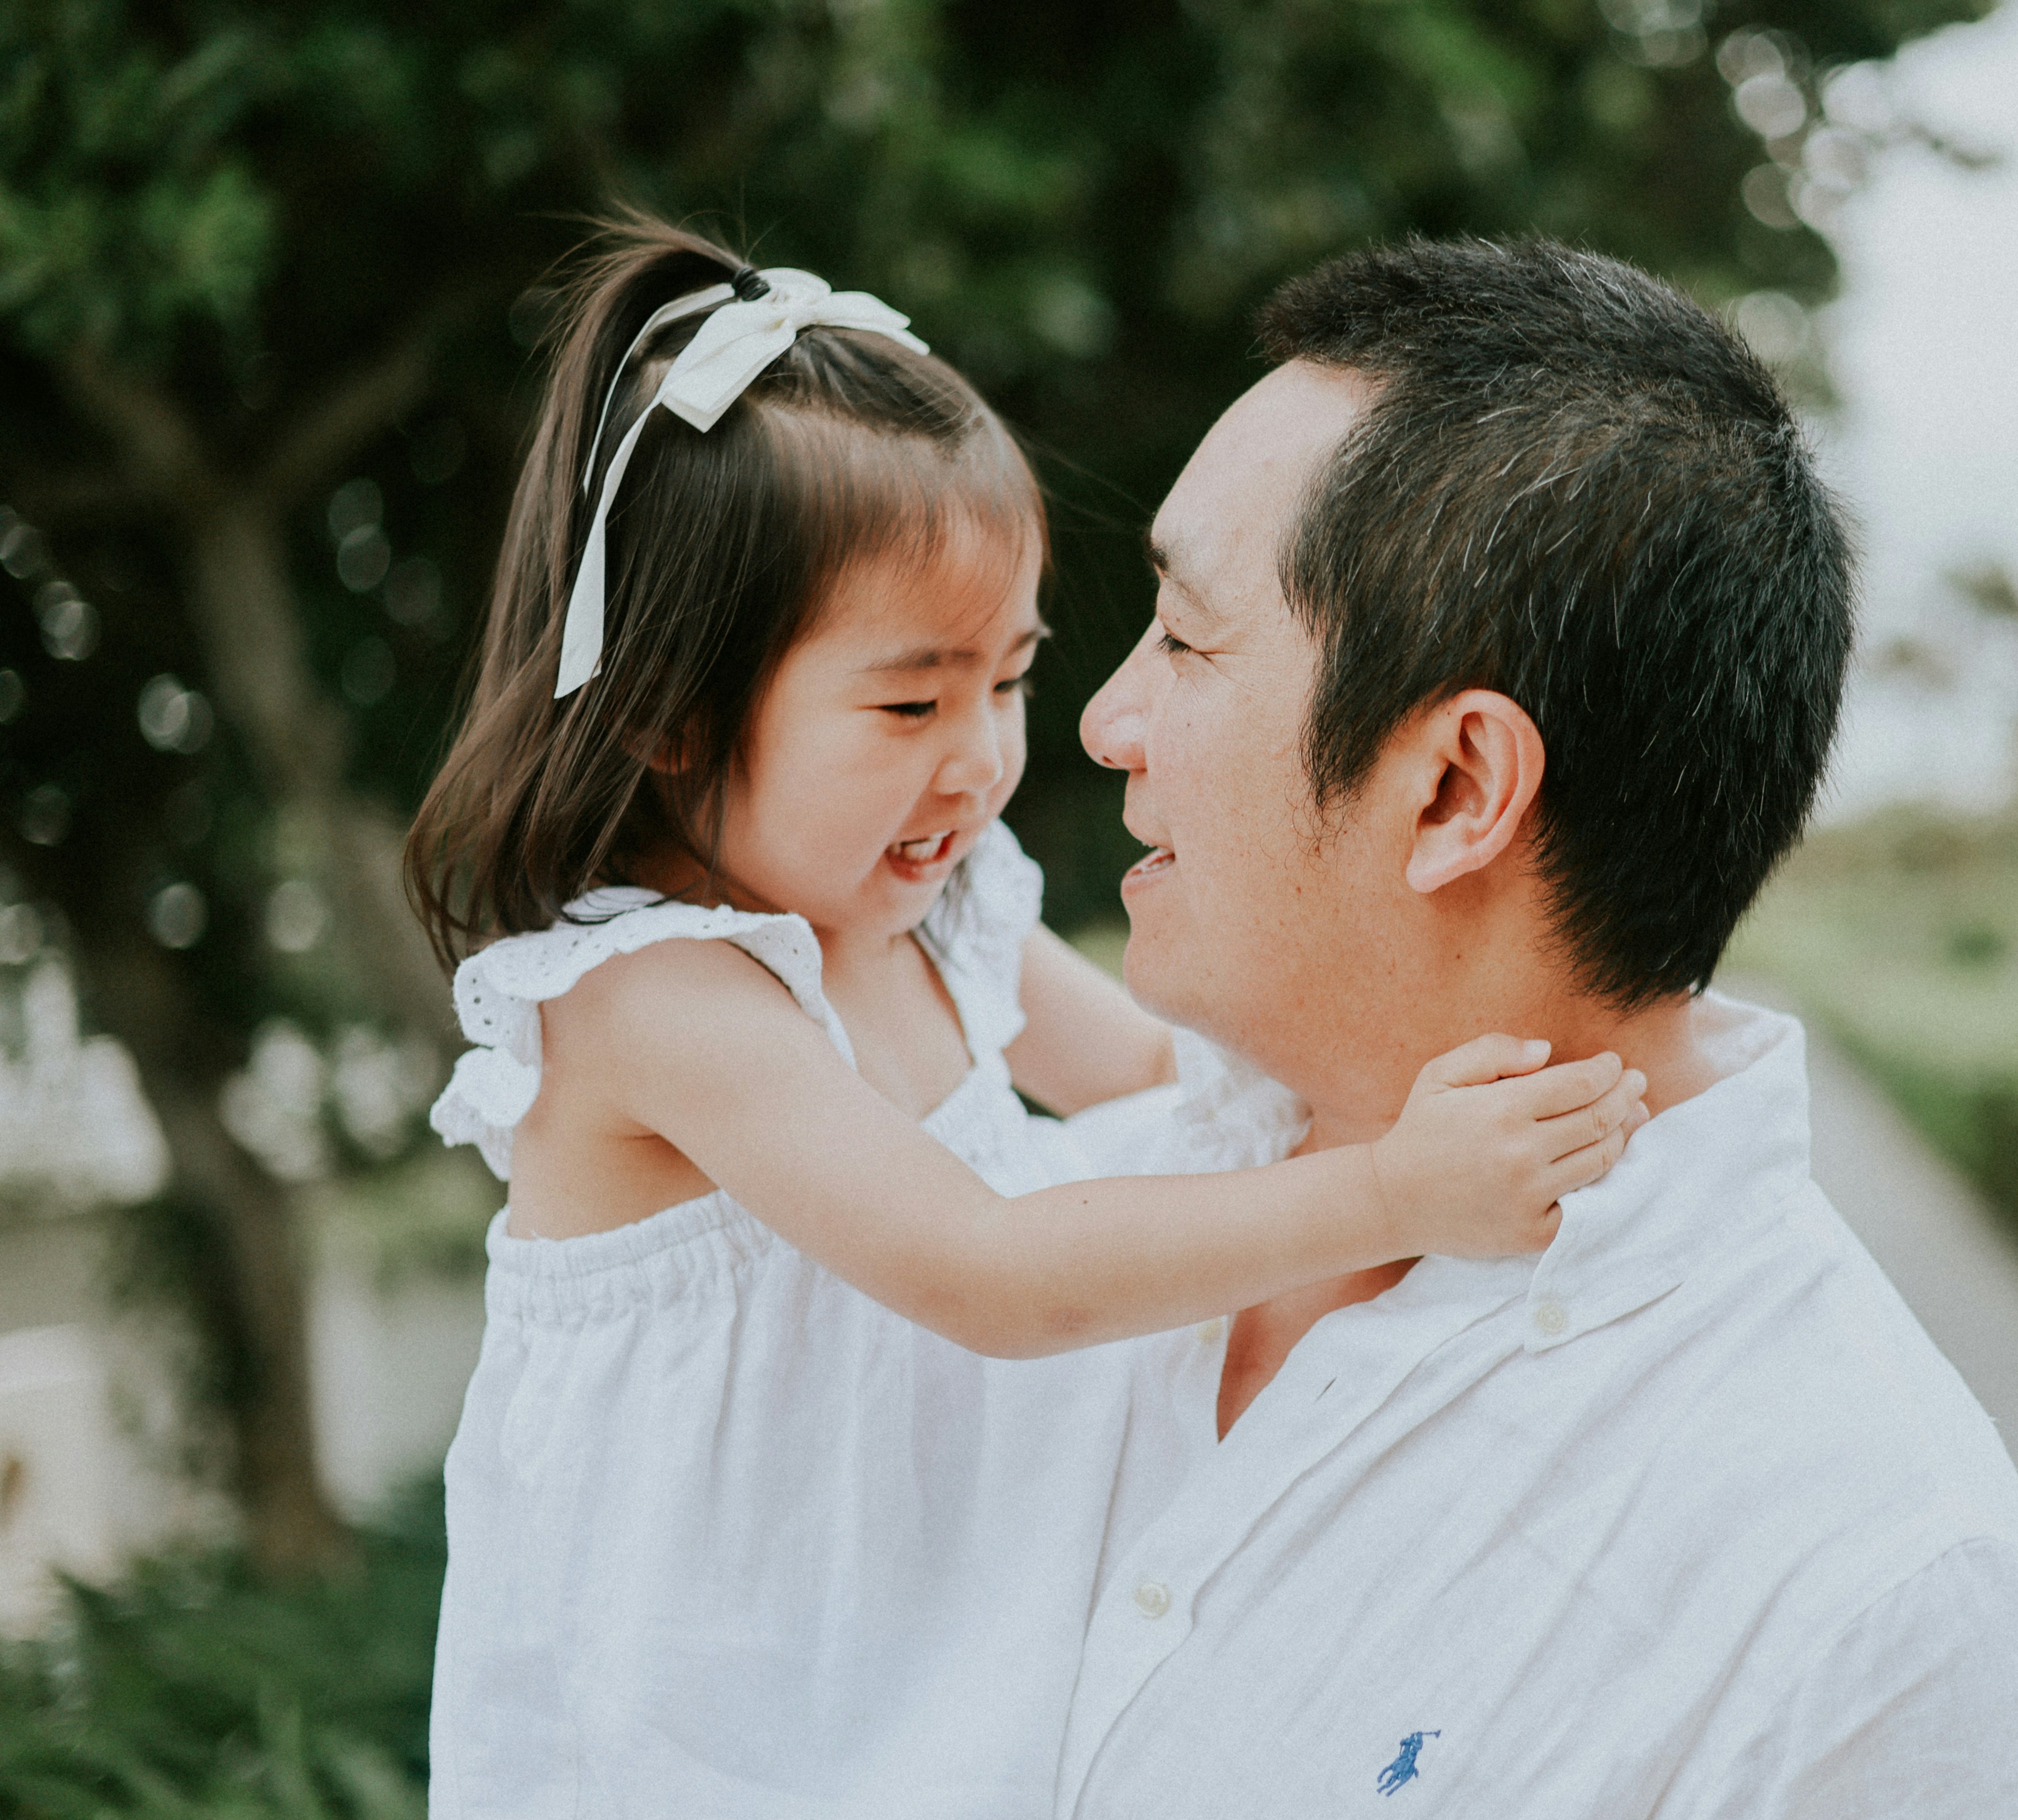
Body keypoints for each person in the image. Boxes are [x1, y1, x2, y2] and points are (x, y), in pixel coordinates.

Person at [402, 217, 1648, 1819]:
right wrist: (1397, 1186)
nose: (980, 759)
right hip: (707, 1720)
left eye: (1009, 680)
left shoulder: (947, 906)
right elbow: (986, 1271)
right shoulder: (657, 1000)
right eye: (911, 701)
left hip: (917, 1648)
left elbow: (1172, 1085)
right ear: (667, 711)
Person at [1058, 238, 2018, 1816]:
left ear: (1453, 788)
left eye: (1186, 637)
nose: (1105, 720)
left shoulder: (1871, 1603)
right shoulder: (1041, 1203)